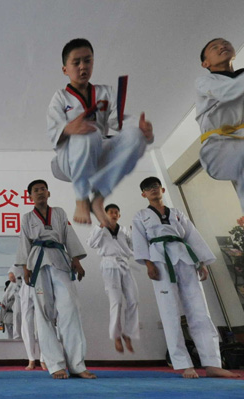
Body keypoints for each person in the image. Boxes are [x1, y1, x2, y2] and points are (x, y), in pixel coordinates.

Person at [132, 176, 240, 379]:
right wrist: (148, 264)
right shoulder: (140, 216)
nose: (153, 190)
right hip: (160, 261)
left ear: (162, 189)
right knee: (170, 311)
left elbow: (192, 236)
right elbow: (138, 241)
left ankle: (212, 363)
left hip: (185, 259)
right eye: (148, 188)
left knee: (200, 310)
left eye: (156, 186)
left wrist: (202, 262)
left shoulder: (178, 213)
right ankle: (184, 364)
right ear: (143, 194)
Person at [47, 38, 153, 227]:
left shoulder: (106, 92)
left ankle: (98, 198)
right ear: (65, 69)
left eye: (87, 61)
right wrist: (69, 128)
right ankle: (81, 198)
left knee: (136, 136)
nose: (82, 67)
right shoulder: (60, 97)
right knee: (90, 132)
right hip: (69, 158)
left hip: (98, 152)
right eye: (76, 62)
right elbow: (53, 131)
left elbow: (117, 121)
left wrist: (140, 127)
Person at [16, 179, 95, 380]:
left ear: (48, 193)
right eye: (36, 190)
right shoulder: (26, 218)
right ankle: (55, 364)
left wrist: (76, 260)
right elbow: (24, 243)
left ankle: (77, 365)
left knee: (71, 309)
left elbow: (69, 235)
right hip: (38, 263)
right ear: (30, 196)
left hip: (60, 261)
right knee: (44, 313)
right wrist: (25, 268)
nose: (40, 192)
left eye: (43, 189)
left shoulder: (59, 213)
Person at [195, 38, 244, 238]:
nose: (222, 46)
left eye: (225, 43)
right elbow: (228, 91)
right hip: (217, 148)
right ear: (205, 63)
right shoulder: (205, 82)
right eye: (214, 47)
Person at [86, 203, 139, 353]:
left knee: (134, 299)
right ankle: (116, 335)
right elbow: (90, 244)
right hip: (109, 265)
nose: (113, 214)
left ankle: (128, 333)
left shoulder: (124, 231)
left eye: (116, 212)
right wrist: (100, 226)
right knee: (116, 301)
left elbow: (134, 248)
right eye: (110, 212)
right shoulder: (100, 230)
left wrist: (135, 234)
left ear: (119, 215)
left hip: (125, 265)